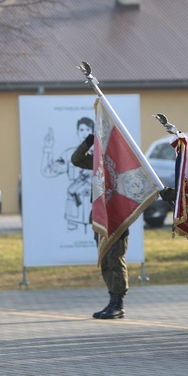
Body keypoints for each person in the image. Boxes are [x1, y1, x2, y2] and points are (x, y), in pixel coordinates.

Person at [70, 133, 130, 320]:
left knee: (115, 260)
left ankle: (118, 303)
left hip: (117, 219)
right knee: (105, 260)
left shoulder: (123, 163)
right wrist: (88, 142)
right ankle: (112, 299)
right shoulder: (98, 162)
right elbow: (76, 159)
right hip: (100, 218)